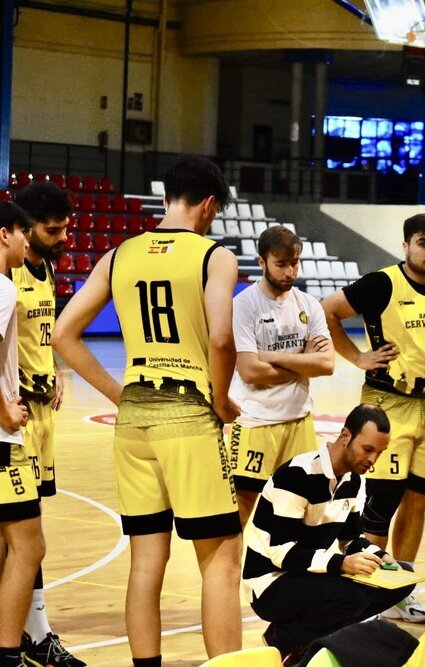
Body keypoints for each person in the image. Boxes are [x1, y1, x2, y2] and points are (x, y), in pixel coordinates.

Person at [53, 156, 243, 665]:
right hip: (188, 414)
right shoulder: (214, 256)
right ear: (209, 205)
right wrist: (222, 400)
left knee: (145, 563)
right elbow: (222, 338)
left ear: (166, 200)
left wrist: (119, 396)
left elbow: (62, 335)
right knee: (221, 558)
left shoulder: (119, 255)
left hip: (134, 417)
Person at [323, 212, 425, 623]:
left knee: (417, 502)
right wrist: (357, 357)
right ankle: (369, 593)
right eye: (424, 242)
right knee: (381, 505)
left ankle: (399, 590)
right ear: (406, 245)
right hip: (389, 405)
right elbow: (328, 310)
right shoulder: (381, 283)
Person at [243, 404, 414, 663]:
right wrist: (341, 564)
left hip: (308, 575)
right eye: (367, 449)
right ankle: (283, 640)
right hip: (270, 582)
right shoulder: (297, 475)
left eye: (379, 452)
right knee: (349, 595)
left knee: (404, 578)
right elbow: (281, 553)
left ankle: (311, 637)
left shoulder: (353, 481)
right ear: (345, 436)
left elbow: (351, 540)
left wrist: (379, 556)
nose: (372, 460)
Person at [8, 182, 85, 666]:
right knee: (21, 536)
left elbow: (42, 334)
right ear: (22, 227)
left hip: (41, 415)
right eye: (51, 230)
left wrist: (54, 373)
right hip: (10, 418)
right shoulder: (4, 278)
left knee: (26, 535)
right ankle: (32, 635)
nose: (61, 238)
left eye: (64, 229)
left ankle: (29, 632)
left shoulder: (47, 269)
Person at [229, 226, 334, 527]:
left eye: (295, 263)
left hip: (299, 421)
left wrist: (273, 357)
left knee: (304, 510)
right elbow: (250, 372)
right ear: (262, 262)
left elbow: (326, 364)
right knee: (240, 512)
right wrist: (303, 362)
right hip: (255, 423)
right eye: (281, 264)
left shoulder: (309, 304)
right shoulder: (244, 305)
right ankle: (228, 574)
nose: (290, 271)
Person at [0, 202, 43, 667]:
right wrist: (5, 411)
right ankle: (8, 653)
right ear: (3, 235)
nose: (25, 242)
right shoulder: (4, 289)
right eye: (19, 233)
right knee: (29, 545)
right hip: (0, 440)